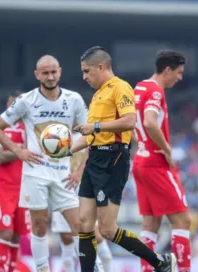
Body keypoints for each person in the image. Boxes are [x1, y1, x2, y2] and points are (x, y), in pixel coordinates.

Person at [0, 55, 102, 272]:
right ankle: (43, 269)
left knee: (79, 226)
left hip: (64, 175)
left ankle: (94, 267)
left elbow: (90, 136)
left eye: (53, 72)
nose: (50, 77)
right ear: (37, 75)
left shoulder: (74, 99)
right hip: (35, 173)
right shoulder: (26, 101)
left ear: (59, 71)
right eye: (45, 73)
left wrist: (80, 170)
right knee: (39, 226)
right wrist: (18, 150)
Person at [72, 46, 175, 272]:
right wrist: (68, 149)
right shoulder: (99, 94)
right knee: (84, 223)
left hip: (113, 159)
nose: (84, 77)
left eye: (87, 71)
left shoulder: (121, 87)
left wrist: (95, 126)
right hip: (95, 158)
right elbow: (92, 135)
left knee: (107, 229)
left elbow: (130, 121)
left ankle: (160, 262)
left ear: (101, 67)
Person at [132, 50, 191, 272]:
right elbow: (149, 121)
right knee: (183, 221)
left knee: (150, 224)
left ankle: (146, 269)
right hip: (156, 163)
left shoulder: (140, 87)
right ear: (167, 70)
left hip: (140, 161)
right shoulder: (156, 91)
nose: (180, 77)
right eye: (179, 72)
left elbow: (134, 122)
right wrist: (166, 149)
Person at [51, 132, 113, 272]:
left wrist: (80, 172)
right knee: (66, 237)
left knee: (95, 235)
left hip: (85, 187)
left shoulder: (87, 125)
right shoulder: (55, 129)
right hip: (61, 186)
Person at [0, 91, 31, 272]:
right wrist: (21, 152)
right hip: (3, 188)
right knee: (5, 232)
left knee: (16, 236)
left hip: (23, 188)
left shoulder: (26, 130)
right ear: (7, 105)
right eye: (14, 104)